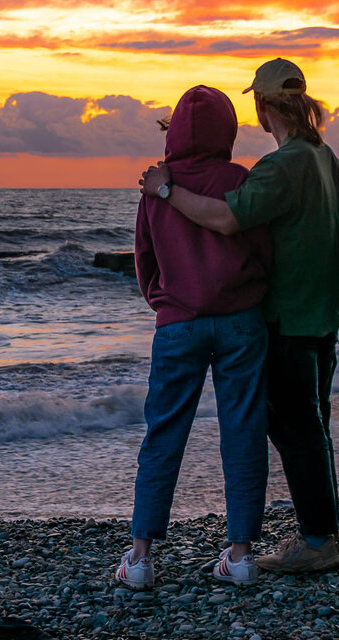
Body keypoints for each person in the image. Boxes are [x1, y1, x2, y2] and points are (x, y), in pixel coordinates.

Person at [140, 58, 339, 574]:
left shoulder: (282, 166)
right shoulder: (326, 158)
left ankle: (317, 542)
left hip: (288, 316)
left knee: (295, 429)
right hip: (322, 313)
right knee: (310, 424)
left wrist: (166, 191)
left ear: (260, 106)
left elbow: (228, 219)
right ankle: (321, 532)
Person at [116, 84, 272, 591]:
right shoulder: (237, 178)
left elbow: (145, 260)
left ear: (175, 130)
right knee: (243, 431)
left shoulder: (157, 186)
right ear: (226, 130)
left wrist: (164, 302)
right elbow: (263, 250)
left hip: (177, 323)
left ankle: (140, 558)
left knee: (163, 434)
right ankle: (242, 554)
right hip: (241, 321)